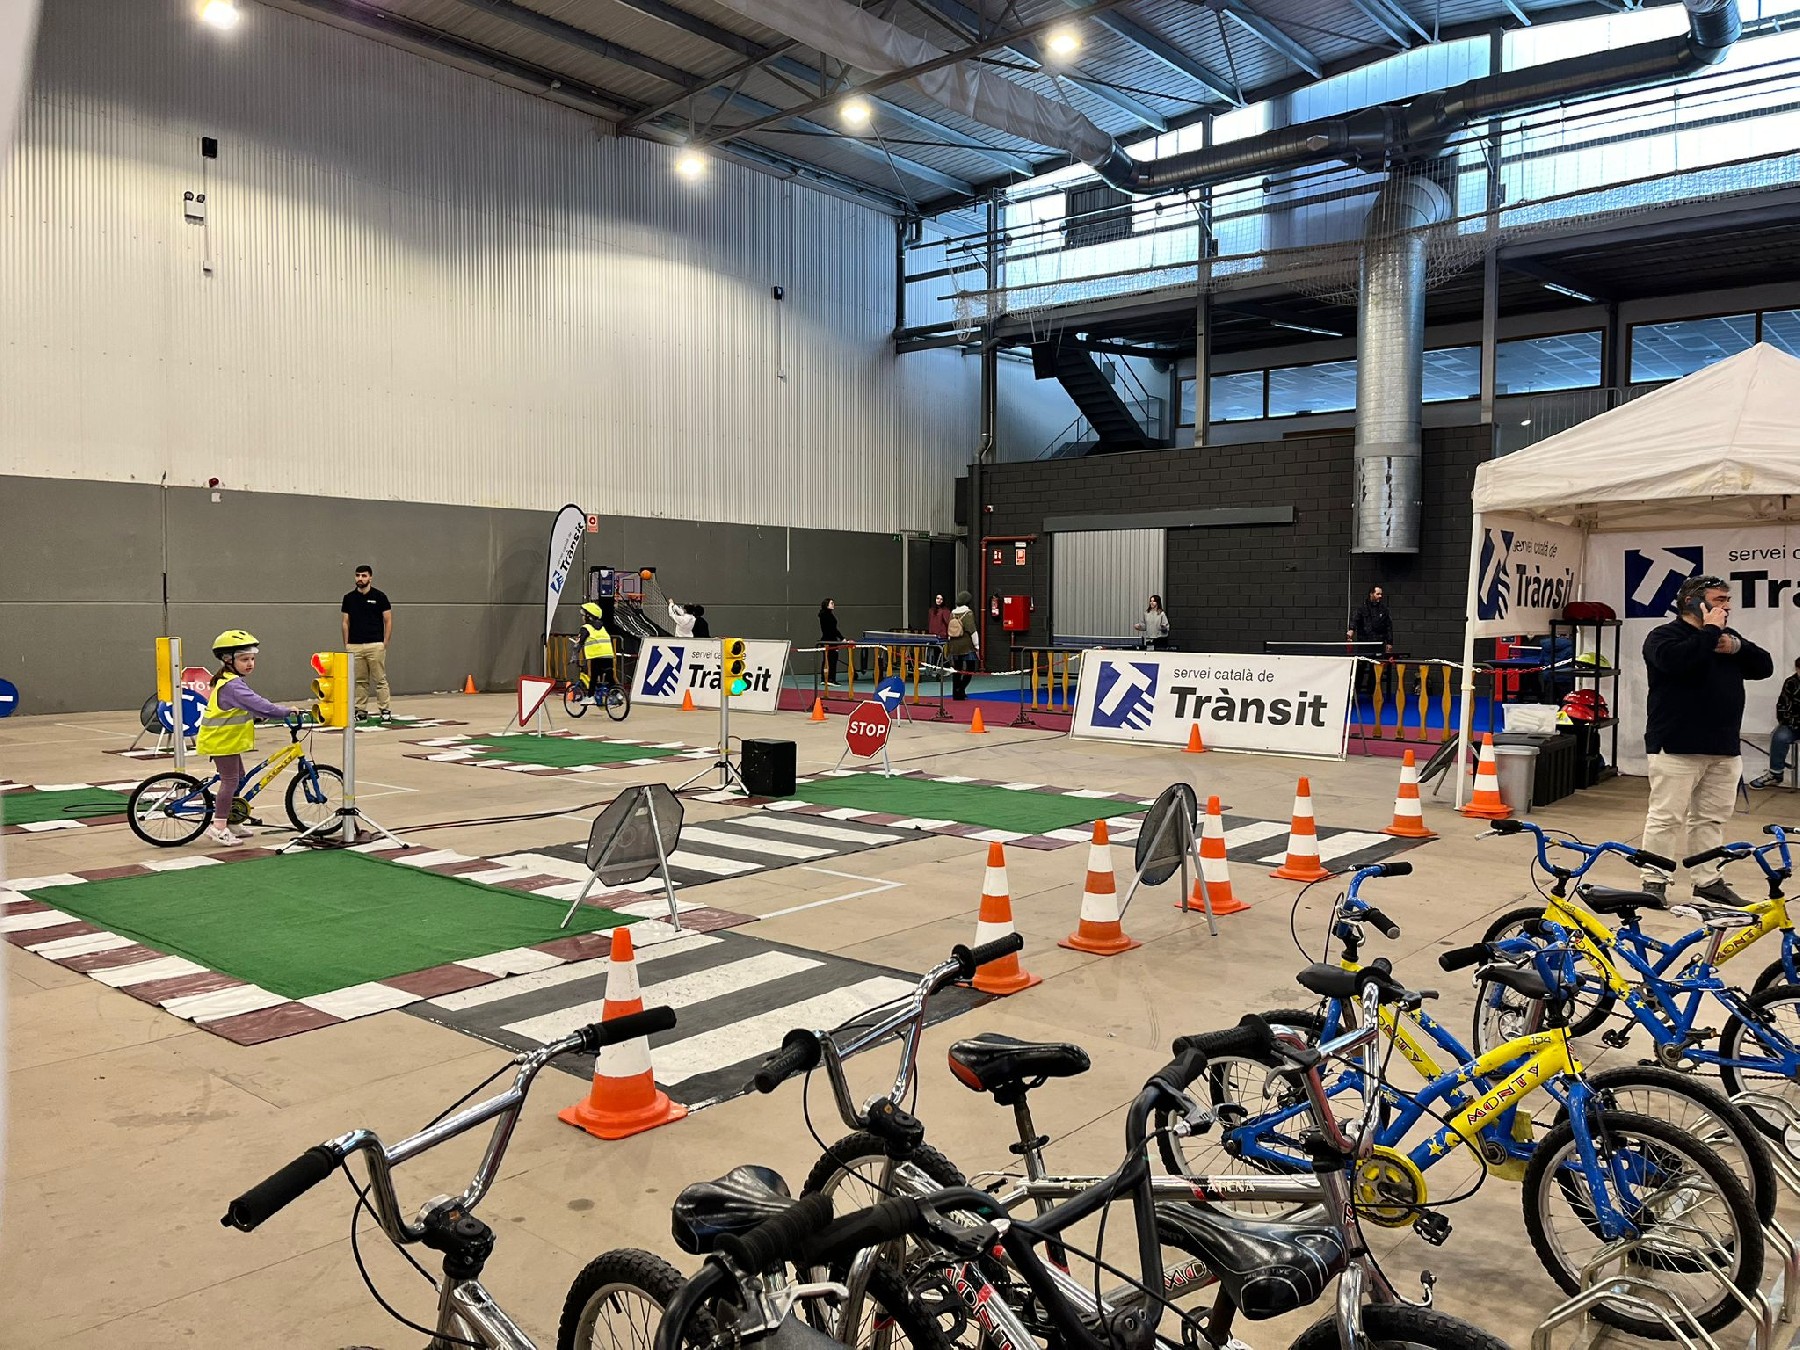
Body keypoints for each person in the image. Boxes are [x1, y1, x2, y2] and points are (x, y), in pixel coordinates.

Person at [1641, 574, 1773, 900]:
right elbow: (1677, 662)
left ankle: (1708, 881)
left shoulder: (1727, 638)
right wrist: (1711, 631)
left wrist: (1736, 646)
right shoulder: (1664, 636)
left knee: (1711, 820)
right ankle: (1654, 881)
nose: (1726, 607)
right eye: (1719, 600)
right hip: (1676, 746)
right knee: (1665, 818)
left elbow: (1764, 666)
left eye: (1727, 600)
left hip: (1723, 747)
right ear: (1692, 602)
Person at [195, 630, 296, 846]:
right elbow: (259, 704)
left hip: (227, 740)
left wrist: (257, 716)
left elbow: (241, 707)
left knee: (238, 777)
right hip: (221, 741)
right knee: (230, 780)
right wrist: (285, 711)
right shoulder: (232, 685)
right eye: (244, 659)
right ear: (227, 660)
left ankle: (231, 819)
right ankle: (218, 827)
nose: (250, 663)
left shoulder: (231, 680)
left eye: (252, 659)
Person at [340, 564, 393, 721]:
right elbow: (345, 622)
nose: (360, 578)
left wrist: (385, 642)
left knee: (380, 680)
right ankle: (360, 710)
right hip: (355, 645)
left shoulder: (380, 597)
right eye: (358, 575)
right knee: (360, 681)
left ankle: (385, 710)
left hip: (375, 644)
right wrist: (347, 644)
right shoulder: (349, 598)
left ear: (370, 578)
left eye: (364, 576)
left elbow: (388, 620)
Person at [1752, 658, 1800, 790]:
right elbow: (1782, 707)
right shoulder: (1791, 683)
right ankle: (1775, 773)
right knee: (1779, 737)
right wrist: (1792, 722)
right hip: (1793, 724)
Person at [1347, 585, 1394, 699]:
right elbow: (1354, 620)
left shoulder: (1384, 610)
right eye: (1378, 594)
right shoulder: (1361, 608)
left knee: (1375, 669)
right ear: (1371, 594)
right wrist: (1351, 630)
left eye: (1381, 594)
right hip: (1364, 644)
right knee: (1360, 669)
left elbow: (1389, 627)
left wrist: (1389, 642)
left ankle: (1371, 693)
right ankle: (1355, 692)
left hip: (1378, 644)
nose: (1380, 596)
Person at [579, 602, 616, 700]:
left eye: (583, 615)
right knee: (609, 675)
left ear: (588, 616)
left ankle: (590, 696)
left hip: (596, 656)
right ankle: (617, 693)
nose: (582, 617)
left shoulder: (586, 628)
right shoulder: (603, 628)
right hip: (608, 655)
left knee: (594, 677)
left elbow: (580, 642)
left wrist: (574, 655)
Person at [946, 590, 978, 700]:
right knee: (970, 669)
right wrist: (977, 646)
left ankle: (956, 693)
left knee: (957, 670)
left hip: (954, 645)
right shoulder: (968, 613)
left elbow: (950, 630)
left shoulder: (953, 613)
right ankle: (961, 689)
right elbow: (972, 630)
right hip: (966, 646)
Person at [819, 598, 845, 686]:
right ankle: (830, 679)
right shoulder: (827, 616)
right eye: (831, 603)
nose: (833, 604)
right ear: (827, 605)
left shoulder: (824, 614)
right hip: (831, 641)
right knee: (832, 660)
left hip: (826, 640)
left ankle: (824, 678)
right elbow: (833, 629)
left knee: (826, 660)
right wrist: (842, 638)